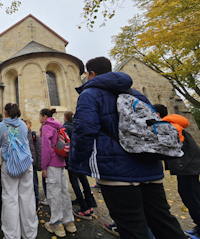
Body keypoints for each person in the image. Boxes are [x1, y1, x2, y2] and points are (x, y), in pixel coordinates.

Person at [69, 56, 186, 239]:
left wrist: (76, 159)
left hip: (117, 172)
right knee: (164, 222)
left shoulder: (89, 94)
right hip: (149, 167)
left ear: (90, 74)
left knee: (132, 226)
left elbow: (84, 130)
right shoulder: (136, 93)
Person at [154, 104, 200, 239]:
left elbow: (170, 147)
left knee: (192, 198)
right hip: (188, 166)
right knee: (191, 196)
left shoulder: (170, 126)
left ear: (157, 114)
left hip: (186, 167)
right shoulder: (173, 124)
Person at [0, 103, 38, 239]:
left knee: (10, 199)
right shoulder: (23, 125)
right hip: (25, 163)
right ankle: (29, 233)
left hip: (9, 165)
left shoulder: (1, 126)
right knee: (27, 197)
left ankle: (11, 235)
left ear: (6, 113)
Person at [40, 108, 76, 237]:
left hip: (52, 164)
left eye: (40, 116)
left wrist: (44, 166)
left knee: (54, 194)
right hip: (61, 162)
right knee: (64, 192)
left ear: (44, 117)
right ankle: (69, 222)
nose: (39, 119)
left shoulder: (46, 128)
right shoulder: (58, 125)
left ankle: (57, 223)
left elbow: (45, 149)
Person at [63, 110, 97, 219]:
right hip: (80, 157)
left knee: (74, 181)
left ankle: (84, 208)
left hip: (71, 158)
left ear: (65, 118)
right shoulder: (77, 126)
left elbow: (65, 144)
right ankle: (90, 203)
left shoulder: (66, 127)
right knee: (83, 179)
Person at [24, 118, 42, 211]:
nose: (25, 126)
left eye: (26, 124)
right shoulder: (21, 135)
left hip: (33, 164)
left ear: (30, 125)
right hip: (24, 165)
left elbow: (39, 150)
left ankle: (36, 204)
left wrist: (39, 164)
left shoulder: (34, 135)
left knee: (34, 184)